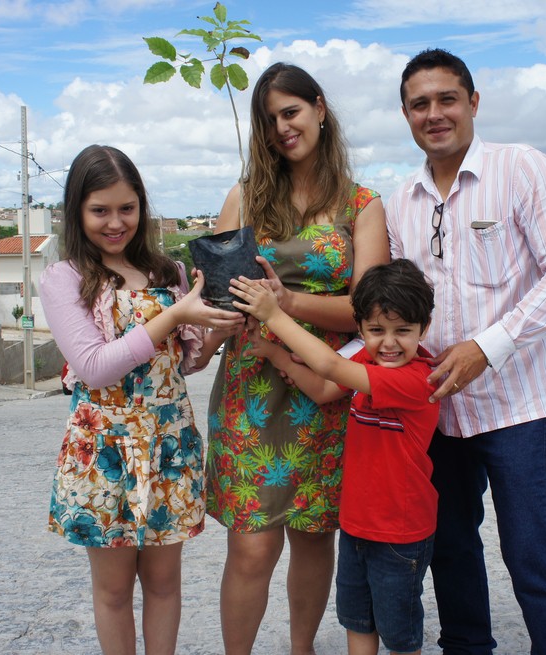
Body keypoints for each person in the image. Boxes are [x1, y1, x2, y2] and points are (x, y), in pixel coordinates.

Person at [384, 49, 546, 654]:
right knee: (449, 546)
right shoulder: (402, 204)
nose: (434, 113)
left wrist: (487, 346)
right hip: (439, 406)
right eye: (420, 104)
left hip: (518, 399)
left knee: (534, 550)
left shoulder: (521, 168)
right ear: (405, 114)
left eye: (447, 99)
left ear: (473, 102)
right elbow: (399, 308)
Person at [204, 62, 390, 654]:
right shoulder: (244, 197)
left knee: (314, 536)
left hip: (323, 389)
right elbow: (216, 294)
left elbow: (372, 311)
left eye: (291, 112)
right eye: (270, 120)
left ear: (319, 109)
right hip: (251, 388)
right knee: (252, 544)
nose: (283, 128)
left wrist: (288, 302)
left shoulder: (362, 204)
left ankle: (301, 649)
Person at [39, 144, 245, 654]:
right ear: (76, 211)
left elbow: (184, 363)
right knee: (113, 592)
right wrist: (174, 317)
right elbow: (93, 367)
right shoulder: (64, 278)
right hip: (104, 452)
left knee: (164, 584)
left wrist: (222, 326)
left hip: (168, 445)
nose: (115, 222)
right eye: (99, 210)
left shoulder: (168, 273)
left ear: (142, 206)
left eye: (126, 208)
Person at [230, 258, 440, 655]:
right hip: (357, 525)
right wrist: (275, 356)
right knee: (357, 621)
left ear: (424, 329)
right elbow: (325, 389)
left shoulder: (415, 379)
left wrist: (274, 314)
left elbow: (328, 364)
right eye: (376, 330)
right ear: (360, 329)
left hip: (400, 532)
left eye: (403, 331)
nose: (389, 343)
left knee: (400, 635)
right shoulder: (367, 361)